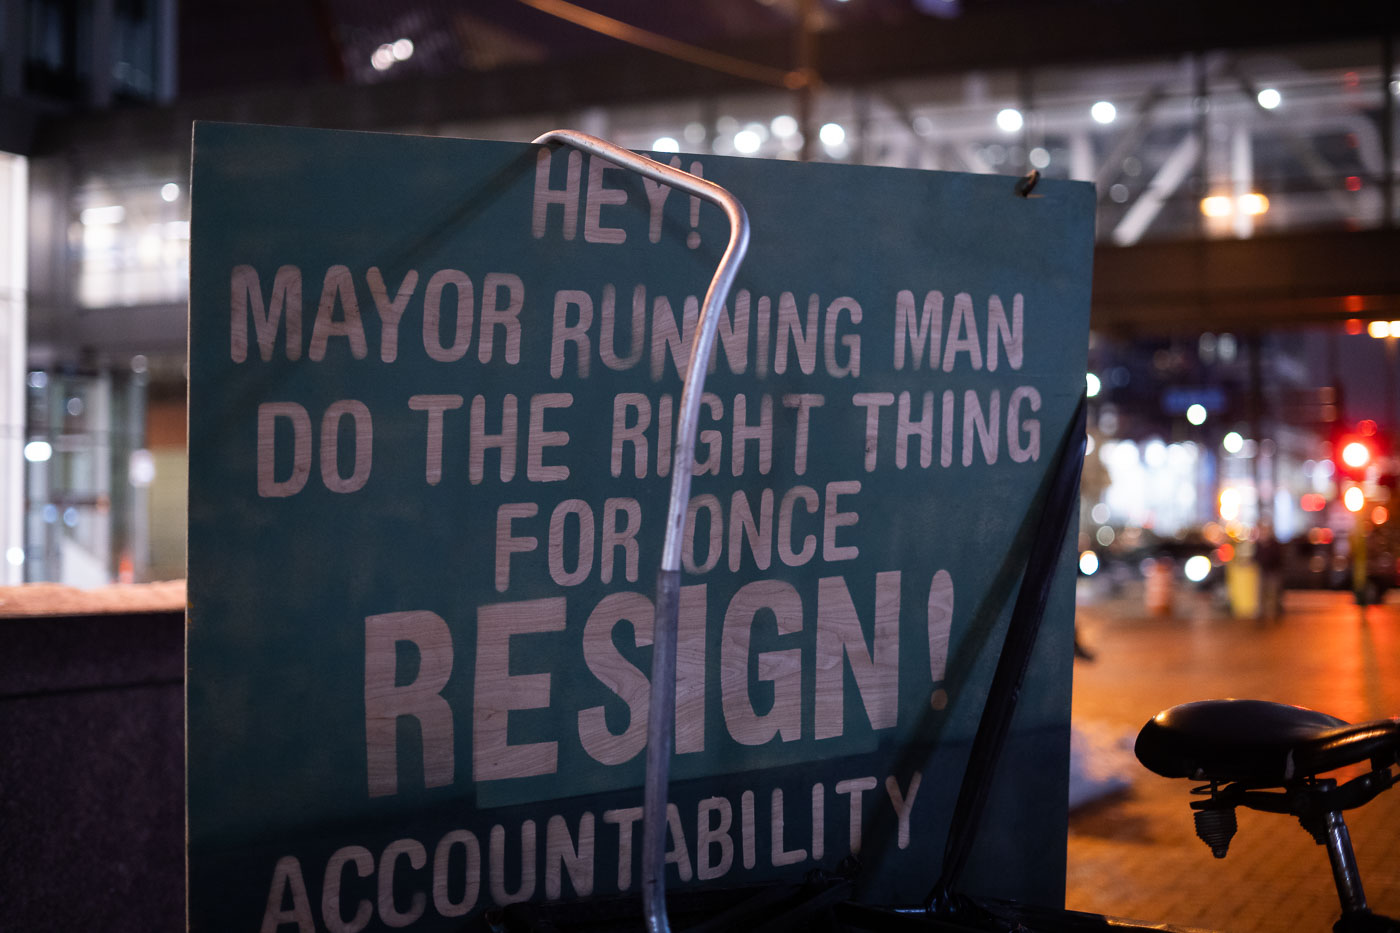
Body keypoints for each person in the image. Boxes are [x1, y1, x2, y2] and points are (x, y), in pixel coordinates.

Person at [1256, 521, 1285, 622]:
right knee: (1262, 593)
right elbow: (1256, 557)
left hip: (1273, 572)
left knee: (1274, 593)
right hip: (1263, 571)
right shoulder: (1259, 544)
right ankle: (1262, 615)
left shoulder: (1274, 544)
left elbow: (1278, 558)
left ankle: (1275, 614)